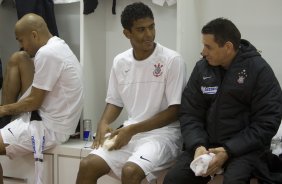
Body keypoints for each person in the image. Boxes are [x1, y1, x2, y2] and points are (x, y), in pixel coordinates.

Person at [76, 2, 186, 184]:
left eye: (151, 27)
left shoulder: (172, 60)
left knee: (130, 171)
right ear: (127, 33)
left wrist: (131, 130)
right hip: (131, 132)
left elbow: (175, 111)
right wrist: (103, 123)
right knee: (88, 164)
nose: (149, 34)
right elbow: (115, 101)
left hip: (164, 135)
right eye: (141, 29)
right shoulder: (120, 61)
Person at [163, 17, 282, 184]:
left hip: (244, 149)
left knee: (234, 181)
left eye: (208, 47)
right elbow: (190, 114)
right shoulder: (201, 68)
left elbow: (267, 122)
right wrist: (198, 146)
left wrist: (228, 150)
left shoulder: (259, 70)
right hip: (206, 144)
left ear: (227, 47)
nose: (203, 52)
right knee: (174, 180)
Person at [0, 13, 83, 183]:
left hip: (50, 128)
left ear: (34, 35)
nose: (21, 45)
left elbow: (34, 102)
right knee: (19, 58)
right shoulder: (58, 45)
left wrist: (3, 109)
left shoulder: (47, 53)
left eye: (21, 40)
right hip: (54, 121)